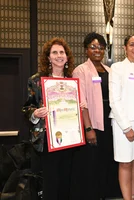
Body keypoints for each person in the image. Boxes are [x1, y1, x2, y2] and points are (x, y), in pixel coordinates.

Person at [22, 37, 75, 200]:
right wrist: (35, 113)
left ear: (66, 57)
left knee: (66, 181)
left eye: (62, 52)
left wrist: (79, 106)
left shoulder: (71, 81)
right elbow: (26, 108)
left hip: (69, 137)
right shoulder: (36, 80)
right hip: (46, 140)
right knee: (51, 182)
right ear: (48, 57)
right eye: (55, 52)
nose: (59, 55)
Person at [71, 32, 113, 200]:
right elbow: (81, 102)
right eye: (93, 47)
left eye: (101, 48)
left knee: (105, 165)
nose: (97, 50)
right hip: (93, 124)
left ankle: (102, 195)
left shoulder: (109, 70)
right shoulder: (80, 70)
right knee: (91, 167)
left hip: (109, 124)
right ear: (86, 50)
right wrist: (88, 128)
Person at [109, 35, 134, 200]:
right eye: (132, 44)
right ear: (125, 48)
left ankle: (132, 195)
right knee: (125, 162)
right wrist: (126, 127)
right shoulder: (117, 68)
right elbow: (114, 100)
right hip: (123, 124)